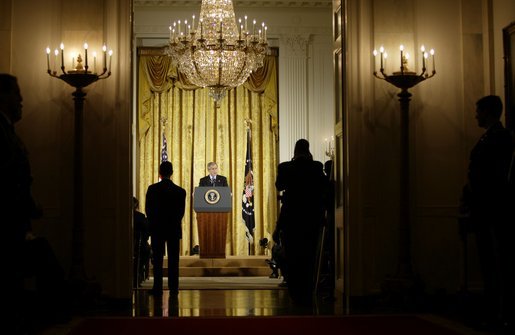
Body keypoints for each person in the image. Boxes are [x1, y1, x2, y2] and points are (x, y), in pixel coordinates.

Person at [460, 95, 515, 331]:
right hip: (483, 207)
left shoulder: (499, 138)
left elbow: (493, 174)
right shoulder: (489, 137)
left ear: (489, 112)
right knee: (488, 263)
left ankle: (500, 312)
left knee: (496, 263)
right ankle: (493, 310)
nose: (475, 115)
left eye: (478, 111)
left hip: (492, 208)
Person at [274, 139, 328, 307]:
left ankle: (295, 291)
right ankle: (308, 290)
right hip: (311, 217)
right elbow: (324, 188)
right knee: (309, 254)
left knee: (291, 254)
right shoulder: (317, 166)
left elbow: (279, 185)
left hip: (291, 218)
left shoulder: (285, 167)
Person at [145, 161, 186, 296]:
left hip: (157, 229)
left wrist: (154, 224)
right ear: (172, 172)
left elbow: (148, 211)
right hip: (173, 229)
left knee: (157, 260)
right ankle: (174, 289)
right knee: (174, 260)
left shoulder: (152, 189)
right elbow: (181, 213)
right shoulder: (180, 191)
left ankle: (157, 288)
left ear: (160, 173)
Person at [133, 197, 150, 287]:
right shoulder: (140, 216)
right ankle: (139, 275)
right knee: (145, 252)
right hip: (140, 244)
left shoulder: (122, 216)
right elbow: (146, 232)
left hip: (132, 243)